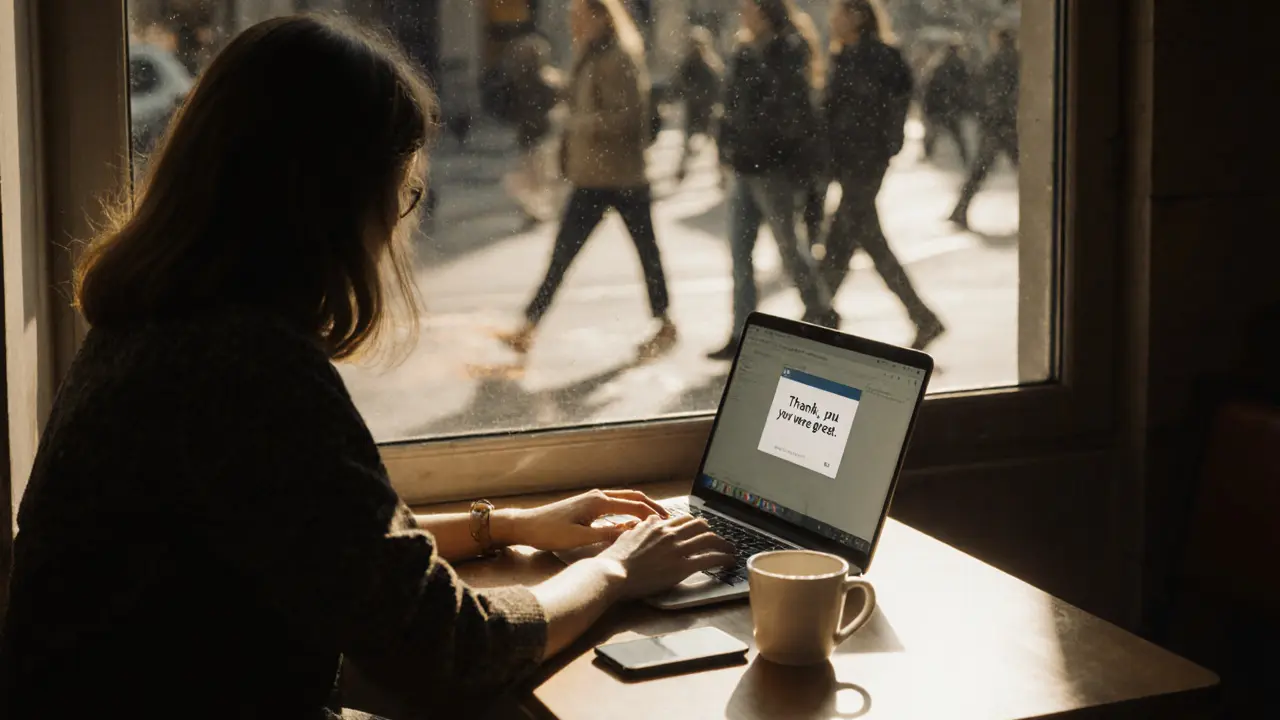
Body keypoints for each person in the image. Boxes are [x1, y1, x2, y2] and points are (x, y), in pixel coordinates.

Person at [0, 15, 734, 719]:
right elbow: (453, 649)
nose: (395, 220)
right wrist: (617, 572)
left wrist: (505, 522)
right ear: (331, 198)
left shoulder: (155, 320)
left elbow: (329, 537)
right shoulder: (244, 366)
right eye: (401, 189)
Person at [498, 0, 678, 360]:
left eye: (579, 18)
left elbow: (627, 117)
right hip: (594, 176)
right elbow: (582, 99)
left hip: (622, 176)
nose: (573, 25)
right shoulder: (590, 55)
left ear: (600, 18)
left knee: (646, 254)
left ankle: (664, 324)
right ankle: (529, 325)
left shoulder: (618, 58)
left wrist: (579, 121)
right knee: (563, 253)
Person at [709, 0, 837, 361]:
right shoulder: (744, 51)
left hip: (772, 168)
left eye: (748, 9)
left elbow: (789, 111)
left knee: (788, 247)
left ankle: (821, 313)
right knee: (739, 252)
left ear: (765, 13)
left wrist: (757, 141)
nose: (742, 15)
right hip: (745, 167)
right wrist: (727, 142)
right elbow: (730, 104)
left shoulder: (788, 50)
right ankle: (741, 332)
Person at [820, 0, 945, 352]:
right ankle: (923, 317)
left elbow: (896, 103)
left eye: (840, 13)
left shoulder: (882, 57)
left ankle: (815, 316)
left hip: (867, 161)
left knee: (844, 233)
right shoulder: (844, 55)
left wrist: (886, 146)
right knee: (862, 237)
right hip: (847, 161)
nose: (834, 20)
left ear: (858, 17)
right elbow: (833, 110)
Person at [949, 28, 1019, 229]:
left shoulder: (997, 61)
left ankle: (960, 210)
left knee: (979, 170)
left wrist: (986, 113)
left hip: (998, 124)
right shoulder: (1019, 60)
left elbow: (981, 89)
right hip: (1010, 124)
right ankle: (960, 210)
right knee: (1023, 169)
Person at [501, 33, 567, 227]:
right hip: (535, 134)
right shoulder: (532, 79)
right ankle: (536, 210)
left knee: (539, 175)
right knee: (536, 176)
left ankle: (539, 210)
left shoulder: (545, 79)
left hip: (541, 134)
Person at [673, 26, 725, 185]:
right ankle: (681, 172)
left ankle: (721, 174)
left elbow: (718, 86)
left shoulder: (710, 64)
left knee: (715, 144)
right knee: (689, 143)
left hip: (706, 108)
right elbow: (678, 84)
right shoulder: (688, 64)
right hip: (694, 108)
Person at [922, 42, 972, 166]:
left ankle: (928, 153)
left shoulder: (940, 65)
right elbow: (965, 86)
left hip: (941, 105)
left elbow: (931, 87)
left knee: (934, 133)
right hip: (950, 106)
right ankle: (964, 157)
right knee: (955, 134)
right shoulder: (958, 66)